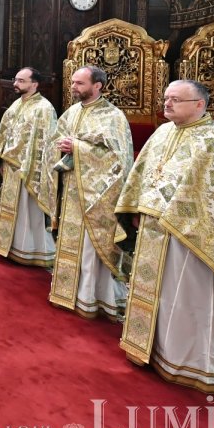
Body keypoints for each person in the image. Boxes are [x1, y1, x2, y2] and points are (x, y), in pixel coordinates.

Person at [116, 79, 214, 392]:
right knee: (160, 296)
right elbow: (143, 176)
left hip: (193, 239)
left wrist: (171, 214)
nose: (167, 104)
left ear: (200, 104)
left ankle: (191, 361)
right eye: (166, 98)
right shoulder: (163, 132)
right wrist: (137, 209)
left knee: (187, 299)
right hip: (154, 231)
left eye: (176, 100)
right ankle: (155, 350)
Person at [37, 67, 133, 322]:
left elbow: (118, 158)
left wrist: (77, 148)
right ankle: (68, 292)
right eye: (73, 82)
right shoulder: (71, 112)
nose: (73, 87)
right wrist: (61, 149)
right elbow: (55, 142)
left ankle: (93, 298)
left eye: (80, 83)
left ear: (98, 85)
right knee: (70, 243)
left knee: (92, 247)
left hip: (97, 198)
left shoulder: (113, 117)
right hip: (70, 191)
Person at [0, 67, 58, 267]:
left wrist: (31, 166)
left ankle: (32, 250)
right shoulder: (16, 104)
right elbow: (5, 132)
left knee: (29, 210)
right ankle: (11, 247)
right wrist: (2, 158)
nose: (15, 84)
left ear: (34, 84)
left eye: (21, 80)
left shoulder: (44, 108)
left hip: (30, 169)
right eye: (16, 80)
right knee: (13, 210)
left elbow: (47, 142)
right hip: (12, 166)